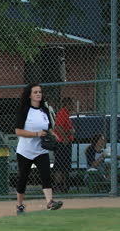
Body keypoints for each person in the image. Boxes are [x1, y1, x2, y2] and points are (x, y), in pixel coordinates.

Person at [13, 84, 64, 215]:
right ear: (29, 95)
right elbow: (18, 131)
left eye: (40, 92)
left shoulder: (44, 110)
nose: (38, 94)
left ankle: (50, 202)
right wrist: (36, 134)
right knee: (23, 178)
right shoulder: (24, 110)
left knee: (46, 175)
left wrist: (53, 134)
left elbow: (48, 127)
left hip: (41, 150)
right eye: (35, 92)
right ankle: (20, 205)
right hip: (25, 151)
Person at [52, 97, 75, 193]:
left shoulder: (66, 114)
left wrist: (70, 132)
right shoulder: (62, 113)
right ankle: (58, 185)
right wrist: (65, 138)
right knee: (60, 165)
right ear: (67, 104)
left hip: (66, 142)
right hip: (62, 143)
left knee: (65, 165)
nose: (72, 106)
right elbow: (57, 127)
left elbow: (66, 128)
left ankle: (64, 185)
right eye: (71, 104)